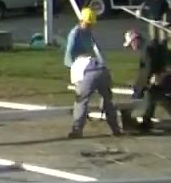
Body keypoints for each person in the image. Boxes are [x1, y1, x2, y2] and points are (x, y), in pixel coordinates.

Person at [63, 9, 121, 138]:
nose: (89, 26)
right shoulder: (79, 34)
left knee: (81, 101)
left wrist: (73, 70)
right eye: (88, 23)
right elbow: (94, 51)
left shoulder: (81, 33)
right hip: (97, 67)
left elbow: (69, 56)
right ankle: (115, 128)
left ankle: (77, 130)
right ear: (82, 21)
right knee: (107, 100)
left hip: (87, 69)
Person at [125, 29, 171, 133]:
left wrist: (140, 87)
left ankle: (146, 122)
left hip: (165, 75)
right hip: (164, 74)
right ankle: (147, 122)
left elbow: (147, 69)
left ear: (135, 40)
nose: (132, 48)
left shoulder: (146, 50)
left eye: (131, 44)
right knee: (159, 97)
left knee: (154, 96)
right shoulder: (149, 47)